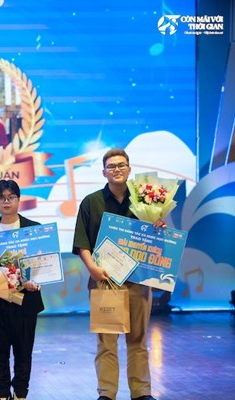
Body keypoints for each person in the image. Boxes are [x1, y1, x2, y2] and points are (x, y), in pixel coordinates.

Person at [72, 148, 162, 400]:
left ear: (129, 169)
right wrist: (92, 268)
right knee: (106, 342)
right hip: (105, 281)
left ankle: (141, 392)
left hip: (138, 280)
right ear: (104, 172)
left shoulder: (146, 202)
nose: (117, 169)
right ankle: (107, 393)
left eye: (121, 165)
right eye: (111, 166)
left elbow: (155, 243)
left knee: (138, 340)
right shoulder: (91, 202)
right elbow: (82, 242)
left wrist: (157, 227)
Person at [0, 179, 45, 400]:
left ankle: (21, 394)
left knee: (24, 352)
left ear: (18, 200)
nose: (6, 202)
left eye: (11, 197)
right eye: (1, 198)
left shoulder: (34, 230)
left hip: (26, 301)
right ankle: (3, 394)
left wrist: (36, 280)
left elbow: (43, 266)